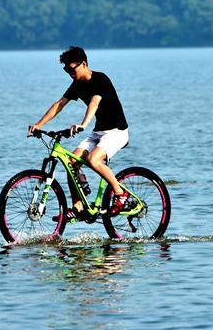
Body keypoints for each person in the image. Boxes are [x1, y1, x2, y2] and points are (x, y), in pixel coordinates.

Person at [27, 46, 136, 219]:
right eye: (66, 70)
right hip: (99, 132)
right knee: (71, 162)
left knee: (94, 159)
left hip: (117, 132)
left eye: (71, 69)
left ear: (83, 63)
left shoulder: (100, 79)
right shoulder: (77, 84)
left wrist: (83, 124)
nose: (69, 73)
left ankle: (120, 193)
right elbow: (59, 104)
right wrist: (39, 124)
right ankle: (77, 207)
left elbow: (94, 103)